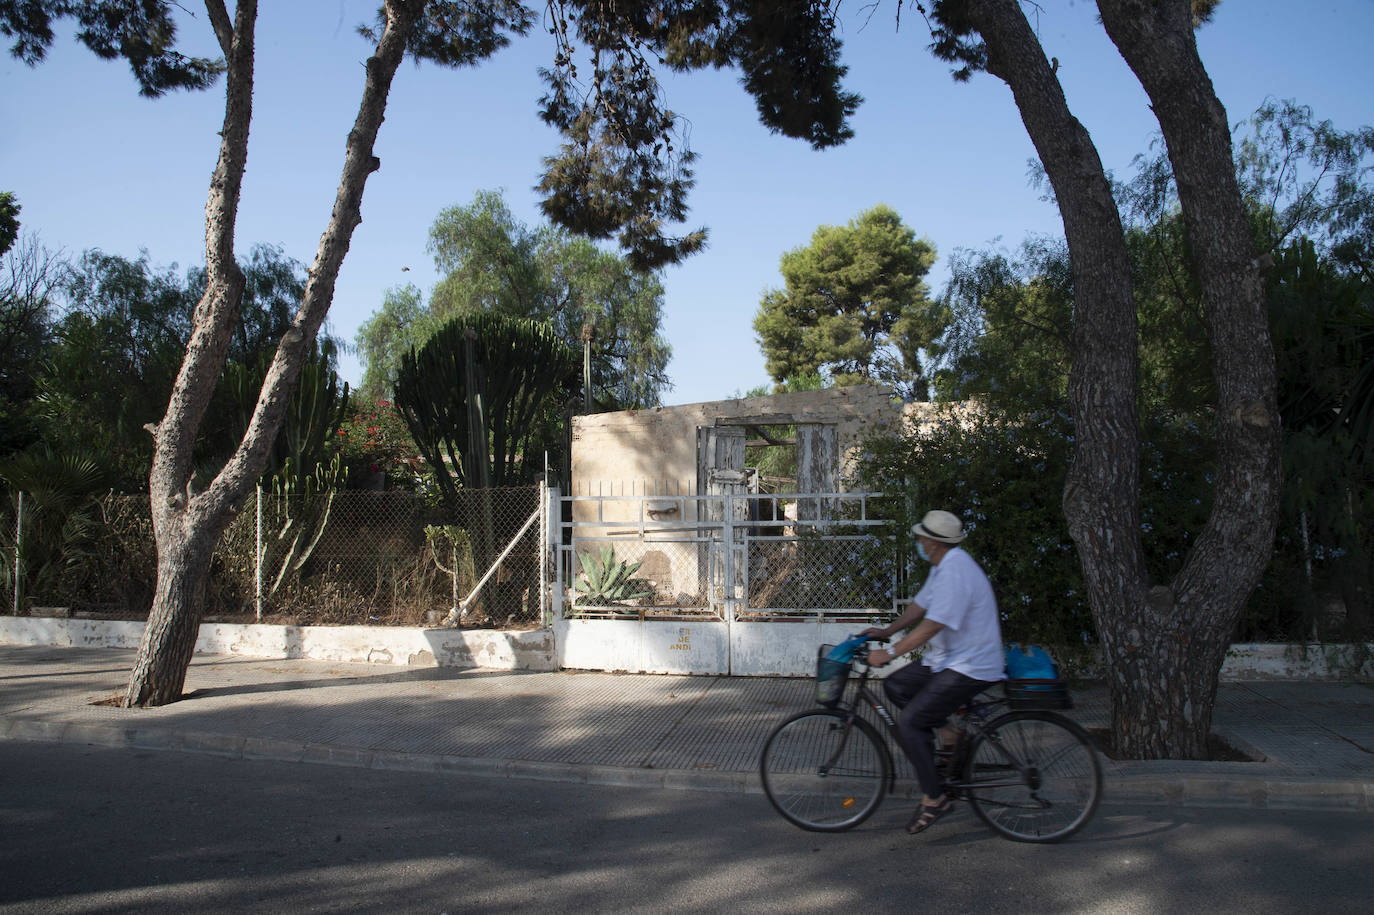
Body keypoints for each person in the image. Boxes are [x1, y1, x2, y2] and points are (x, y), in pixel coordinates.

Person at [862, 509, 1004, 835]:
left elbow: (931, 625)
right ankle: (951, 735)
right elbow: (920, 606)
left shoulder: (956, 573)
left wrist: (891, 652)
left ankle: (935, 798)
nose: (919, 542)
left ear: (934, 542)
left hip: (971, 665)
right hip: (950, 659)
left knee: (911, 721)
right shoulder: (943, 567)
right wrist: (887, 631)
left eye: (922, 538)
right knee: (897, 686)